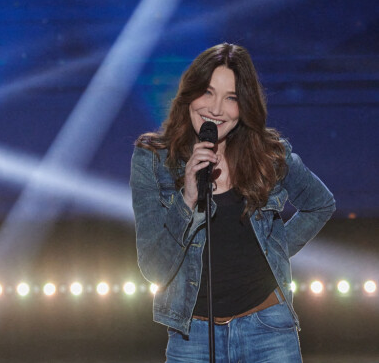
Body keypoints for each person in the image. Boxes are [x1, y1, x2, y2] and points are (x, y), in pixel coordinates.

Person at [130, 43, 335, 363]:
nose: (215, 108)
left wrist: (273, 246)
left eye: (231, 97)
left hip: (268, 330)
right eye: (208, 92)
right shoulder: (153, 159)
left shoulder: (269, 154)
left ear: (244, 106)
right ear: (189, 94)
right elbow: (153, 266)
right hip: (192, 337)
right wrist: (187, 198)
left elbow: (320, 204)